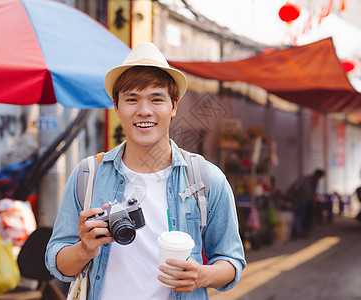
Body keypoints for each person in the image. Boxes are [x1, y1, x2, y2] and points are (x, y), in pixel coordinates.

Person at [45, 42, 246, 299]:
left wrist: (202, 276)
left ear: (173, 106)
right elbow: (57, 260)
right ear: (116, 107)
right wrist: (84, 249)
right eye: (132, 99)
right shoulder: (88, 175)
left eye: (156, 99)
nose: (144, 110)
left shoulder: (207, 179)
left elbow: (231, 260)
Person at [286, 169, 324, 238]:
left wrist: (313, 201)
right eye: (318, 177)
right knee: (298, 214)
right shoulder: (304, 180)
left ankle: (300, 230)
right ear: (315, 175)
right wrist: (300, 197)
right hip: (296, 199)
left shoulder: (315, 183)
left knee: (303, 213)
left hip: (303, 200)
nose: (318, 179)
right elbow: (294, 189)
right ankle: (298, 232)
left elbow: (312, 194)